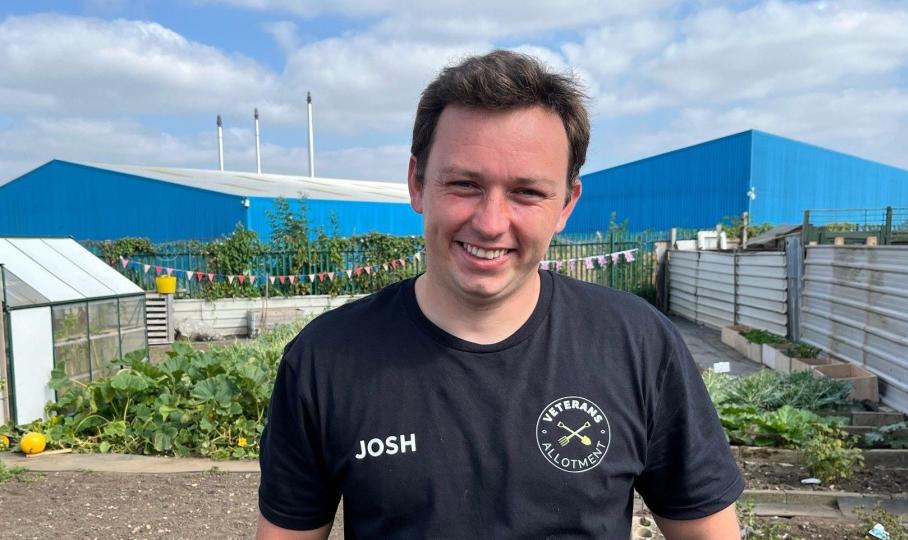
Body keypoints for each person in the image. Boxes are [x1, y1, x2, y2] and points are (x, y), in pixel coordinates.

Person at [256, 50, 743, 539]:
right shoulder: (327, 358)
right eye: (465, 184)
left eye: (527, 192)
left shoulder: (637, 344)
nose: (490, 224)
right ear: (417, 184)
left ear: (566, 204)